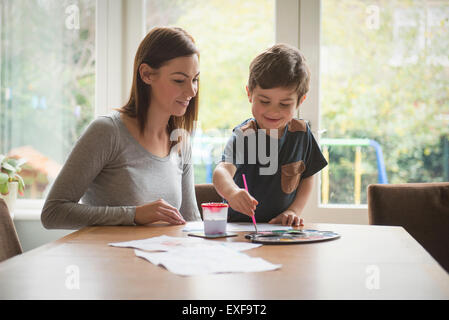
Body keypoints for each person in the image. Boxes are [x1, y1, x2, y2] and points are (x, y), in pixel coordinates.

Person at [41, 27, 201, 229]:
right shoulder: (107, 132)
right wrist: (133, 215)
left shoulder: (180, 141)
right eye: (179, 80)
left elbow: (191, 220)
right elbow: (53, 213)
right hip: (113, 259)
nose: (192, 91)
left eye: (195, 79)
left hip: (163, 259)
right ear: (146, 74)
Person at [212, 44, 328, 227]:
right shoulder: (245, 135)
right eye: (264, 101)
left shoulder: (302, 134)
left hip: (281, 229)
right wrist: (232, 192)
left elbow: (308, 176)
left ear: (300, 101)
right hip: (241, 228)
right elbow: (221, 171)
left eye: (284, 104)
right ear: (249, 94)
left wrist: (294, 210)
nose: (273, 111)